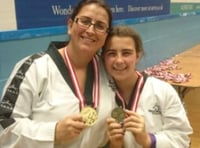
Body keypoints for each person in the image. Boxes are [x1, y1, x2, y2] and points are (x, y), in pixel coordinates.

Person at [0, 0, 116, 147]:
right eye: (85, 21)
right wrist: (53, 132)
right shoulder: (34, 67)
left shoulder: (108, 70)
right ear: (70, 25)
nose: (91, 30)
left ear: (106, 35)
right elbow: (4, 128)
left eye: (100, 26)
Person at [101, 25, 193, 148]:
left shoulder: (163, 91)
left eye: (126, 53)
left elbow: (182, 140)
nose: (119, 60)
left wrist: (147, 139)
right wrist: (115, 144)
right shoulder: (101, 96)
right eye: (111, 53)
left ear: (137, 56)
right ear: (104, 58)